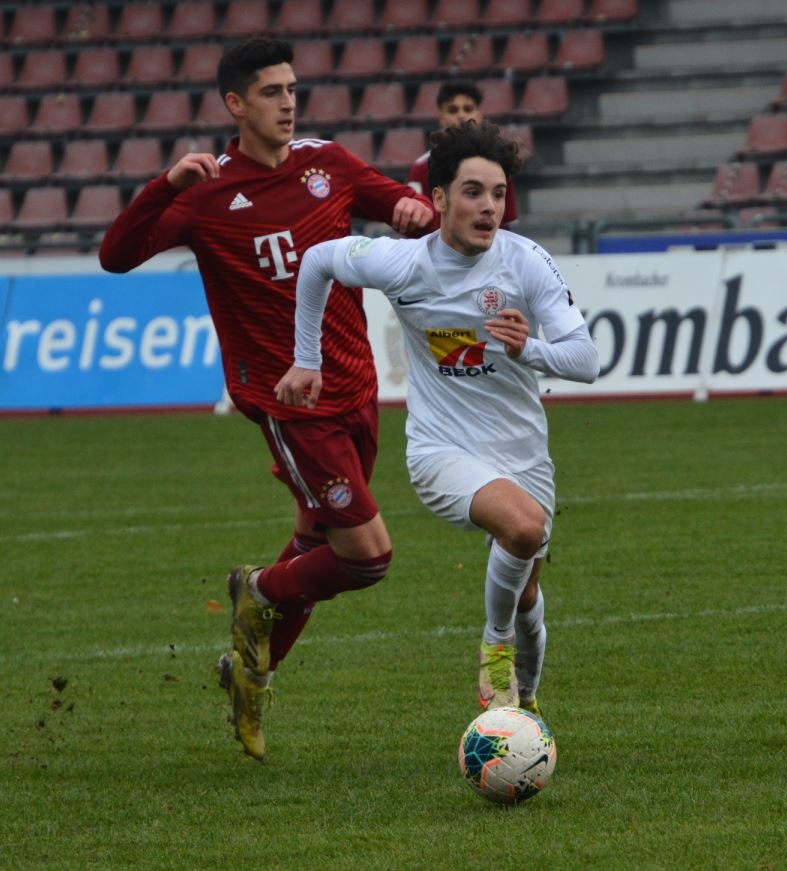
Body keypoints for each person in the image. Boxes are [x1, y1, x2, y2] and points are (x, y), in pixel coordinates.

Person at [99, 37, 434, 761]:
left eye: (291, 89)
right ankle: (256, 587)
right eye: (272, 92)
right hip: (289, 402)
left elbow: (401, 205)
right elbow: (116, 255)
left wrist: (411, 210)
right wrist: (164, 186)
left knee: (317, 542)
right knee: (367, 555)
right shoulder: (206, 192)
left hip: (357, 386)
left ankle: (251, 672)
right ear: (235, 105)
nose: (287, 102)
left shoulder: (329, 164)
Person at [277, 120, 599, 716]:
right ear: (439, 199)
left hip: (522, 453)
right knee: (524, 530)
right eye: (473, 192)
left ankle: (520, 713)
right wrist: (306, 360)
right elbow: (319, 261)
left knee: (527, 588)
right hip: (441, 451)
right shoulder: (403, 264)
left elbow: (586, 360)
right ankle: (493, 647)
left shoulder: (526, 262)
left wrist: (531, 350)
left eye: (499, 194)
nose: (489, 208)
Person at [408, 79, 520, 231]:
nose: (461, 115)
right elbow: (415, 224)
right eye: (453, 110)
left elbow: (506, 225)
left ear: (479, 115)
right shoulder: (421, 167)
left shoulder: (498, 163)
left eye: (467, 109)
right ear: (441, 118)